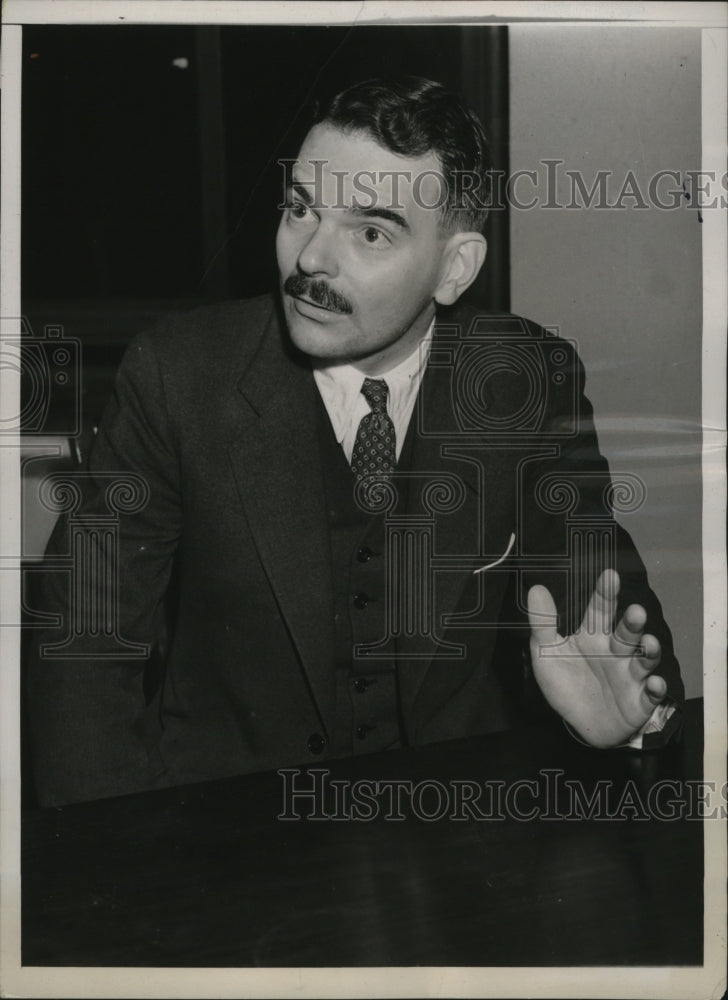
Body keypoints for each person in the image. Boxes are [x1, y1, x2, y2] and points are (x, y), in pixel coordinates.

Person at [26, 76, 683, 807]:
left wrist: (629, 727)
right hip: (226, 844)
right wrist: (113, 875)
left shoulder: (524, 382)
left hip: (457, 838)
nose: (310, 259)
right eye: (301, 209)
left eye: (369, 231)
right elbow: (83, 655)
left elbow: (609, 625)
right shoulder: (177, 377)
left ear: (455, 268)